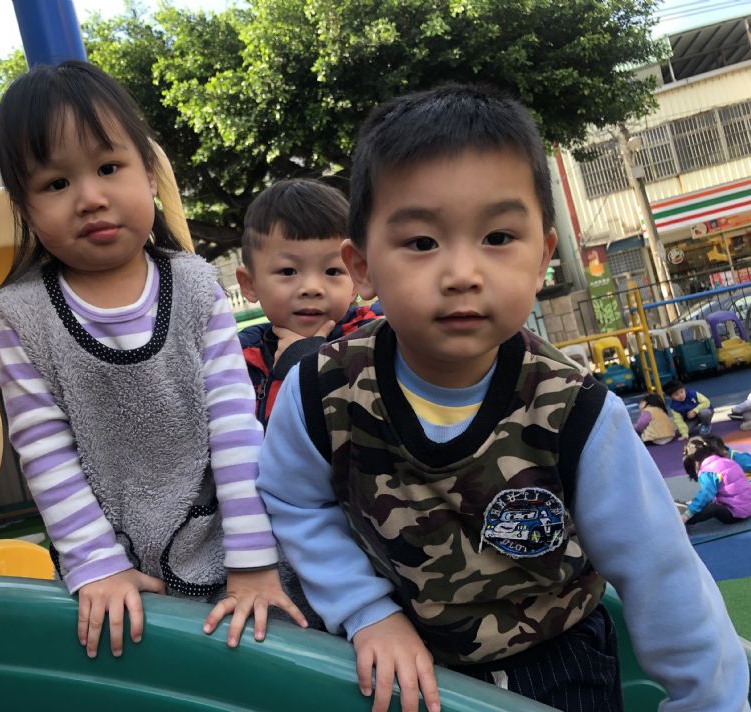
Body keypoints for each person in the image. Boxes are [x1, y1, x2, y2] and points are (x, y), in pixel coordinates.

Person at [255, 84, 749, 712]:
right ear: (362, 268)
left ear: (543, 257)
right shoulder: (321, 390)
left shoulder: (574, 410)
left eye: (497, 237)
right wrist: (365, 610)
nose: (463, 273)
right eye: (422, 243)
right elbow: (292, 499)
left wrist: (711, 702)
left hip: (557, 660)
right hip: (399, 664)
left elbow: (660, 570)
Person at [0, 61, 306, 660]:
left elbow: (235, 427)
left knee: (273, 650)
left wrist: (253, 562)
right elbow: (45, 450)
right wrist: (97, 564)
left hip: (229, 539)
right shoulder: (21, 315)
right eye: (56, 184)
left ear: (151, 175)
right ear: (23, 206)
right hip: (114, 560)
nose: (90, 198)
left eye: (109, 168)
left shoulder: (193, 285)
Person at [236, 179, 382, 426]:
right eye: (288, 271)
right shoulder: (241, 358)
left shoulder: (375, 337)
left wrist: (306, 362)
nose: (312, 288)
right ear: (250, 284)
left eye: (332, 271)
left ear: (355, 281)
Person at [681, 435, 751, 525]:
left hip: (736, 514)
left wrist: (687, 514)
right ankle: (691, 506)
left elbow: (706, 494)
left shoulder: (707, 471)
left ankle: (683, 521)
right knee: (709, 498)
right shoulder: (729, 460)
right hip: (748, 505)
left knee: (712, 508)